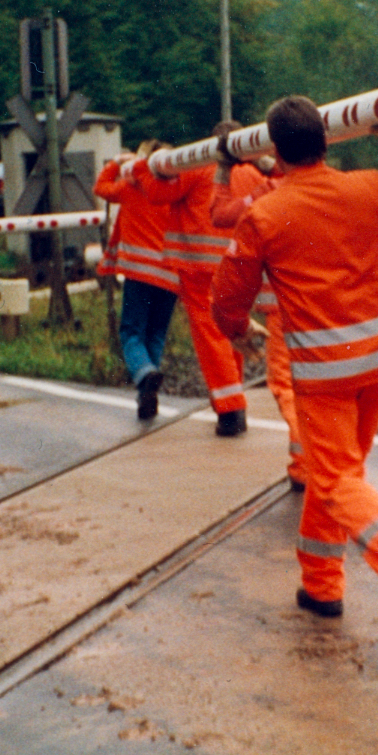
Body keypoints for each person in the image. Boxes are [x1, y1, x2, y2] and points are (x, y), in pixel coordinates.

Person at [210, 96, 378, 648]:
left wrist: (236, 329)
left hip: (324, 375)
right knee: (336, 474)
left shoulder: (266, 215)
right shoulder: (371, 187)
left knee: (338, 480)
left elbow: (228, 297)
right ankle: (321, 587)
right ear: (325, 139)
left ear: (275, 151)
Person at [132, 124, 248, 436]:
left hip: (200, 265)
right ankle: (233, 397)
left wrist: (141, 165)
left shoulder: (199, 167)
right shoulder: (250, 171)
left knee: (211, 335)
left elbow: (157, 194)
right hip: (239, 263)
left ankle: (230, 409)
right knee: (233, 331)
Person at [209, 141, 305, 490]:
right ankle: (329, 461)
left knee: (287, 383)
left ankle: (306, 465)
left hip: (284, 308)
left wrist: (224, 170)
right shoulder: (339, 187)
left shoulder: (269, 191)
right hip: (330, 305)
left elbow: (220, 215)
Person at [94, 140, 180, 421]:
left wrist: (117, 162)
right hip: (170, 274)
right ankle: (147, 391)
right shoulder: (176, 191)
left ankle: (145, 375)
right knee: (156, 333)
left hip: (139, 273)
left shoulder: (130, 188)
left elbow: (101, 188)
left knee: (131, 332)